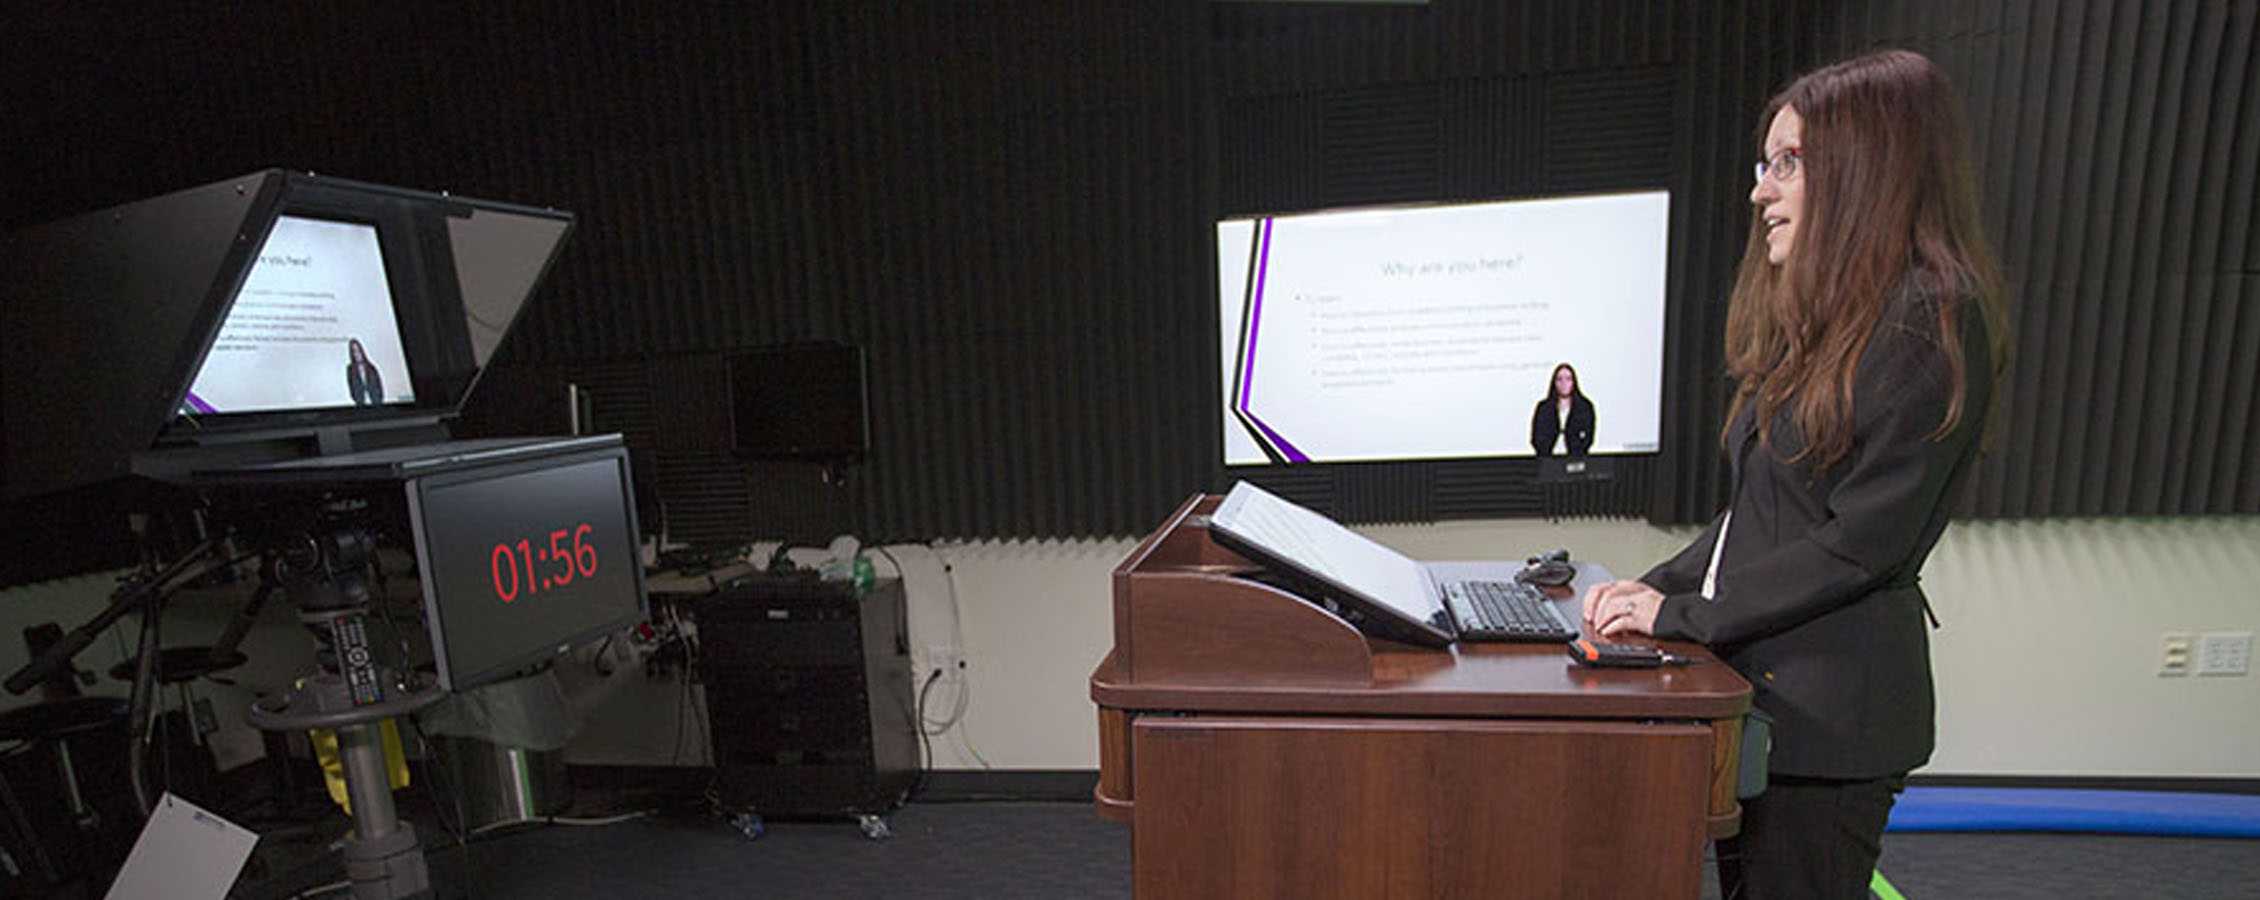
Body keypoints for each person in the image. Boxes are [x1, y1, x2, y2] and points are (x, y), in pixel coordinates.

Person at [1579, 49, 2008, 899]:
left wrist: (1685, 613)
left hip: (1834, 721)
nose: (1759, 191)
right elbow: (1762, 513)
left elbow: (1857, 545)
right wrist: (1655, 585)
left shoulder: (1929, 321)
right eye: (1762, 164)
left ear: (1865, 171)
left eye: (1788, 164)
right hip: (1776, 703)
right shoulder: (1832, 326)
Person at [1528, 362, 1595, 457]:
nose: (1564, 384)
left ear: (1573, 382)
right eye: (1559, 379)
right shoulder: (1544, 408)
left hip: (1575, 458)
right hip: (1548, 460)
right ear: (1554, 383)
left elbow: (1588, 437)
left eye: (1568, 379)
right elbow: (1536, 437)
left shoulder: (1585, 408)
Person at [345, 338, 384, 406]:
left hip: (376, 403)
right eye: (354, 351)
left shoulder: (371, 367)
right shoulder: (350, 370)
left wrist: (379, 399)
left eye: (358, 350)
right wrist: (357, 399)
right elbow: (351, 388)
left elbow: (379, 386)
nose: (357, 354)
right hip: (361, 404)